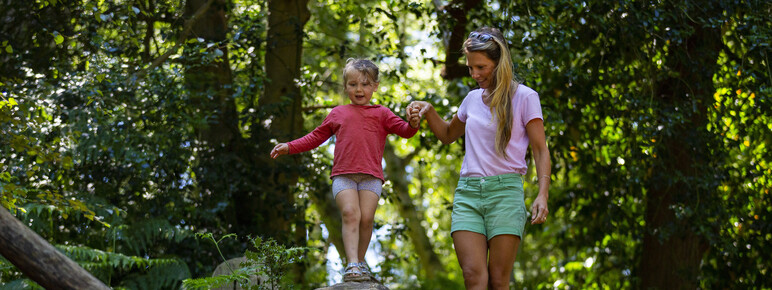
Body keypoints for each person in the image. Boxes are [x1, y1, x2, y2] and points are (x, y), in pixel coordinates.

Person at [407, 27, 551, 289]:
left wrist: (542, 194)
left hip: (505, 193)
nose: (474, 74)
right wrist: (428, 111)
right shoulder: (472, 99)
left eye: (481, 67)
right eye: (471, 67)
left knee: (497, 280)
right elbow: (448, 134)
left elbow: (541, 150)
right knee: (473, 277)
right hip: (468, 194)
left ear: (500, 62)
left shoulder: (526, 97)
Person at [271, 58, 419, 282]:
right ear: (346, 86)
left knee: (366, 219)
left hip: (371, 177)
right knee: (351, 214)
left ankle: (360, 262)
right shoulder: (338, 113)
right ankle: (351, 264)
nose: (359, 89)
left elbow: (405, 131)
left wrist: (414, 123)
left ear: (375, 86)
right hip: (344, 176)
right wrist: (289, 146)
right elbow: (315, 137)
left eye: (365, 84)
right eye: (353, 84)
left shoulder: (382, 113)